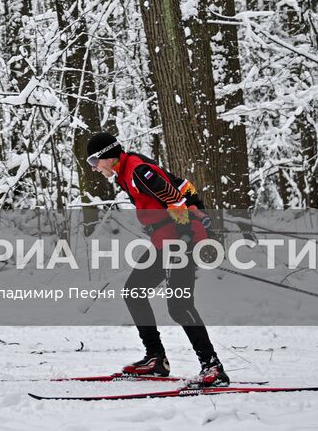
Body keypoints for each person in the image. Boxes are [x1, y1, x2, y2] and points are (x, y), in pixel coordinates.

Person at [83, 130, 230, 387]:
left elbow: (175, 198)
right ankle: (156, 358)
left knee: (179, 305)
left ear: (108, 155)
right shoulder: (129, 171)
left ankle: (213, 368)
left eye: (95, 162)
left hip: (178, 242)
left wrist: (186, 236)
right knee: (134, 291)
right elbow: (183, 185)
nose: (95, 169)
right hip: (165, 242)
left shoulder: (138, 171)